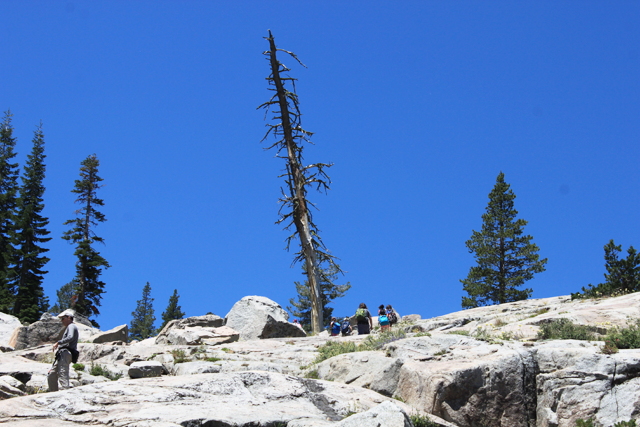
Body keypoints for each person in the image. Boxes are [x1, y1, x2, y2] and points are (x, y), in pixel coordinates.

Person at [47, 309, 79, 392]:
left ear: (69, 317)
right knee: (51, 375)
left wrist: (58, 342)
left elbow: (70, 337)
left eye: (63, 318)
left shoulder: (71, 326)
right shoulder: (68, 327)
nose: (62, 321)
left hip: (66, 353)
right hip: (62, 354)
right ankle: (53, 393)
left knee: (63, 372)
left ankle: (66, 391)